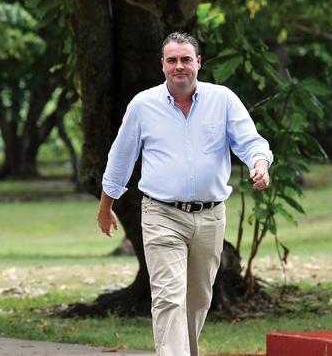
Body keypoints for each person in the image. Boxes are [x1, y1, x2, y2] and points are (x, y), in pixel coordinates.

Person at [97, 32, 273, 356]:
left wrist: (259, 164)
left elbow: (252, 142)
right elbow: (121, 158)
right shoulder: (143, 105)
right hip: (161, 214)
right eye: (172, 60)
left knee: (197, 300)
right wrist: (106, 205)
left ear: (198, 63)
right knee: (168, 296)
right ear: (162, 65)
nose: (180, 66)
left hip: (210, 216)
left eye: (186, 59)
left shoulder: (223, 100)